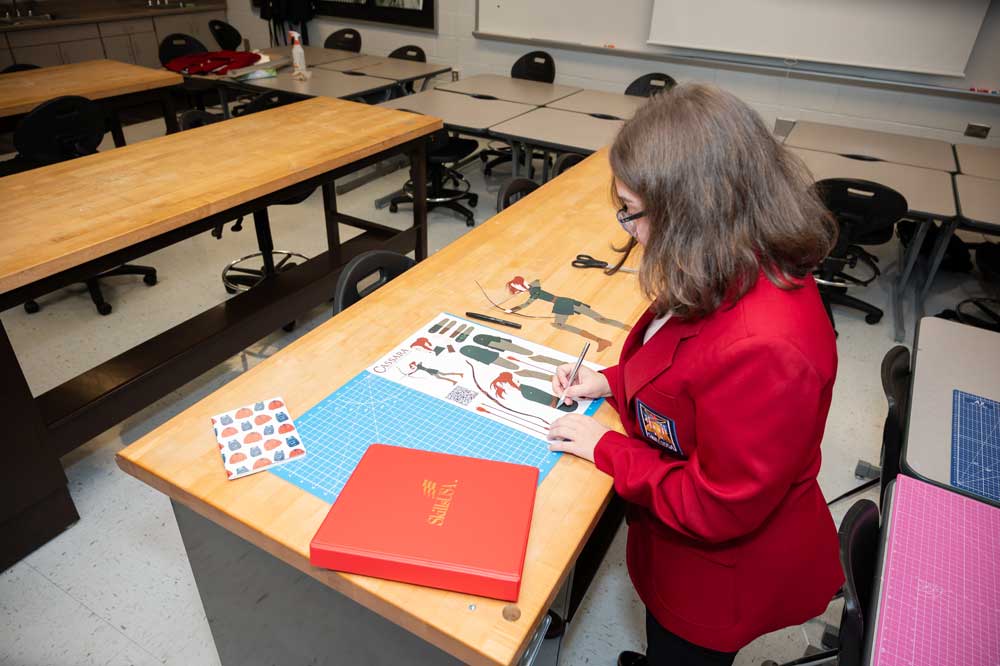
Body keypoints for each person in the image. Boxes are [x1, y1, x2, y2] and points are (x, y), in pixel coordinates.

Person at [547, 83, 843, 666]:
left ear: (693, 213)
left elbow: (716, 505)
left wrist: (606, 448)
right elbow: (687, 362)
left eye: (631, 211)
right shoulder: (729, 255)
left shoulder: (769, 348)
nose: (625, 228)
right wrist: (612, 381)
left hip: (718, 577)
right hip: (677, 546)